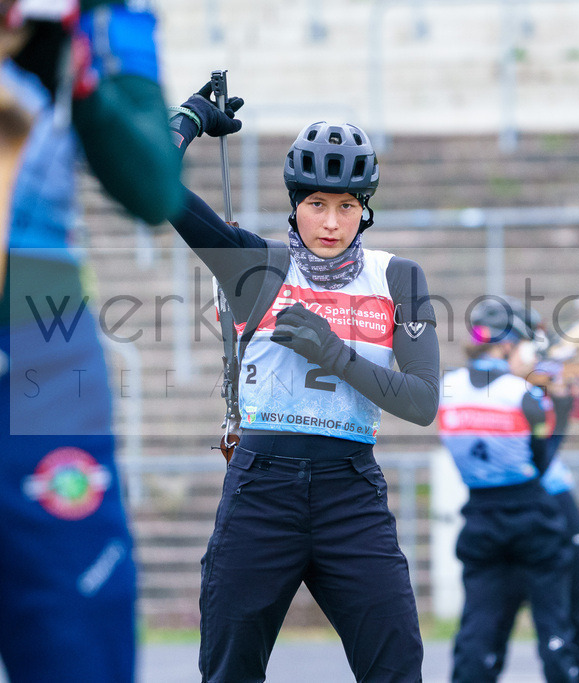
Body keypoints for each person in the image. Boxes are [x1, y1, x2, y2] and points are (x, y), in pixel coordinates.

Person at [166, 85, 440, 682]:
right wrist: (186, 119)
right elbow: (156, 181)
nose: (332, 222)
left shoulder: (399, 277)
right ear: (295, 204)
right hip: (261, 492)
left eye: (347, 206)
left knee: (396, 668)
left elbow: (422, 403)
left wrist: (336, 355)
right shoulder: (252, 265)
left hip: (352, 495)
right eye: (318, 202)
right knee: (229, 671)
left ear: (365, 208)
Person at [0, 1, 185, 681]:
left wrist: (78, 79)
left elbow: (155, 187)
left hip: (39, 304)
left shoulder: (101, 13)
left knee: (73, 636)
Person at [437, 296, 579, 683]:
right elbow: (542, 461)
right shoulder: (523, 395)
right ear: (506, 345)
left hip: (480, 513)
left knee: (478, 629)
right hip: (531, 513)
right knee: (554, 626)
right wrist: (563, 409)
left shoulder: (446, 387)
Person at [487, 368, 579, 683]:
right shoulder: (507, 390)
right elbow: (541, 459)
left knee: (574, 618)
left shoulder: (542, 380)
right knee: (510, 623)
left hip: (554, 502)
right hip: (531, 503)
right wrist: (562, 414)